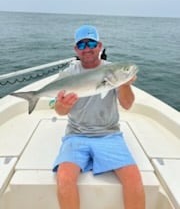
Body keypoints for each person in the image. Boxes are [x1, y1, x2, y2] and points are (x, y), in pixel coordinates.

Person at [53, 25, 145, 209]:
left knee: (134, 180)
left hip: (109, 134)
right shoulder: (67, 75)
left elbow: (127, 105)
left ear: (99, 45)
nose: (87, 48)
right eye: (82, 44)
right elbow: (59, 112)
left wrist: (125, 84)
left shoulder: (113, 71)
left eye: (91, 43)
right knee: (64, 179)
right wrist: (62, 106)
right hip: (76, 134)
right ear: (76, 49)